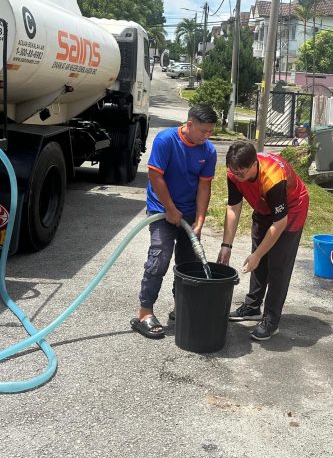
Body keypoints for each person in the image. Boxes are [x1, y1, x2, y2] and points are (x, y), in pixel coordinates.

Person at [131, 104, 218, 339]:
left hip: (189, 214)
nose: (206, 137)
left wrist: (199, 220)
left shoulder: (208, 151)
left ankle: (180, 309)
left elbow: (204, 186)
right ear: (189, 125)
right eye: (202, 131)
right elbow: (155, 176)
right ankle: (144, 312)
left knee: (188, 265)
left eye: (210, 132)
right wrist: (170, 209)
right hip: (162, 209)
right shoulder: (166, 140)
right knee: (159, 258)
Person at [217, 140, 310, 341]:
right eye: (234, 172)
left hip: (290, 209)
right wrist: (227, 246)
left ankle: (271, 319)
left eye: (241, 173)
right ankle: (252, 307)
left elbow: (280, 222)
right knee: (258, 258)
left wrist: (258, 255)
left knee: (278, 264)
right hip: (263, 205)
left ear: (254, 165)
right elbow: (233, 207)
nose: (237, 177)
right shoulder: (234, 172)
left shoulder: (273, 178)